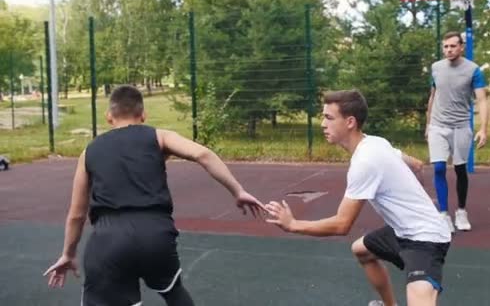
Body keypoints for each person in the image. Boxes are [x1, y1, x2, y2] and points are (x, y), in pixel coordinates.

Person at [44, 85, 266, 306]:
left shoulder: (89, 151)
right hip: (156, 232)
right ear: (143, 115)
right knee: (173, 291)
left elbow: (76, 214)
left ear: (109, 116)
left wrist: (68, 253)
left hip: (110, 238)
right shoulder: (159, 137)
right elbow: (203, 154)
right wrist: (238, 191)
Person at [265, 90, 451, 306]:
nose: (323, 124)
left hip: (425, 238)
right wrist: (419, 201)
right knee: (361, 250)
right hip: (403, 230)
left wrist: (293, 225)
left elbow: (341, 225)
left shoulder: (365, 161)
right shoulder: (375, 142)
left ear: (350, 122)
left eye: (329, 118)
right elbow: (417, 164)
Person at [426, 31, 489, 232]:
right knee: (438, 168)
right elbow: (433, 96)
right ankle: (443, 214)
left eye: (453, 46)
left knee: (460, 170)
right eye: (445, 46)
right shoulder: (436, 68)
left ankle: (461, 212)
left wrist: (483, 129)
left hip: (461, 126)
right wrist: (428, 124)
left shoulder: (473, 70)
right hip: (438, 125)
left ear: (461, 47)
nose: (449, 50)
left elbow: (482, 100)